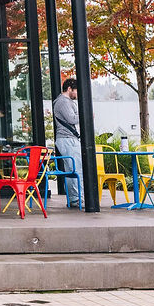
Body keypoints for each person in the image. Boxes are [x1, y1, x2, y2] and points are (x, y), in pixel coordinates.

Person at [52, 76, 85, 209]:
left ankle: (75, 199)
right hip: (67, 139)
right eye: (76, 90)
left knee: (73, 169)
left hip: (68, 139)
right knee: (76, 170)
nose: (77, 94)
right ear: (69, 88)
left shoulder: (63, 102)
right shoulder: (63, 102)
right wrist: (86, 114)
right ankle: (77, 199)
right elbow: (71, 119)